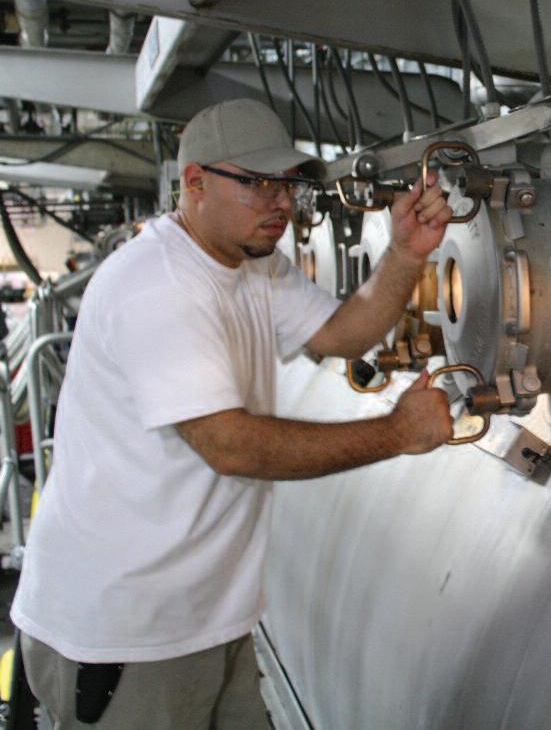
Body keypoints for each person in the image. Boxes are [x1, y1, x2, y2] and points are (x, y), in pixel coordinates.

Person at [9, 99, 455, 728]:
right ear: (194, 183)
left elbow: (342, 334)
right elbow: (230, 446)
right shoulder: (161, 284)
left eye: (287, 184)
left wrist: (406, 255)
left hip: (208, 618)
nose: (280, 203)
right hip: (125, 631)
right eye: (257, 183)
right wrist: (397, 433)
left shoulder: (253, 266)